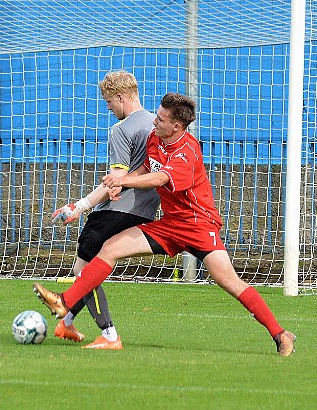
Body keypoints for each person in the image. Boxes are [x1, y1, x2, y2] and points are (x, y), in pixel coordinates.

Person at [34, 92, 296, 357]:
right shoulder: (155, 138)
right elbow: (145, 170)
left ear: (176, 127)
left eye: (160, 119)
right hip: (170, 225)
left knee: (230, 282)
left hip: (198, 226)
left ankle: (280, 334)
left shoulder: (188, 151)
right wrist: (119, 183)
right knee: (110, 247)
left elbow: (160, 178)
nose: (154, 122)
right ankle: (65, 303)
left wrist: (123, 182)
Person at [50, 70, 159, 349]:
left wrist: (79, 206)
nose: (108, 108)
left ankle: (109, 335)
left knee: (84, 270)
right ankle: (68, 323)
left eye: (109, 102)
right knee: (86, 267)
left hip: (117, 209)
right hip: (145, 210)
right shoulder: (156, 126)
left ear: (121, 97)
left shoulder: (121, 130)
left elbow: (115, 183)